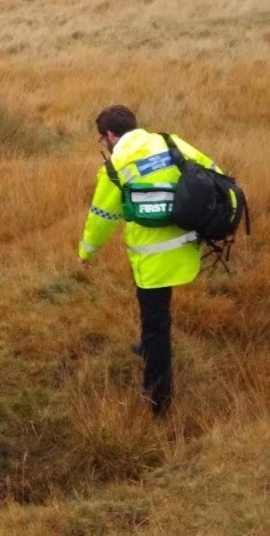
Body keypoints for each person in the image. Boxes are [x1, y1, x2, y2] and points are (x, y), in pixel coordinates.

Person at [78, 104, 219, 417]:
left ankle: (159, 397)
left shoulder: (117, 166)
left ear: (111, 135)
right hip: (186, 247)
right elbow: (212, 171)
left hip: (152, 259)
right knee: (156, 311)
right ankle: (146, 346)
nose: (104, 144)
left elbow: (102, 217)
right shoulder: (170, 142)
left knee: (157, 324)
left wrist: (85, 252)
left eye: (103, 139)